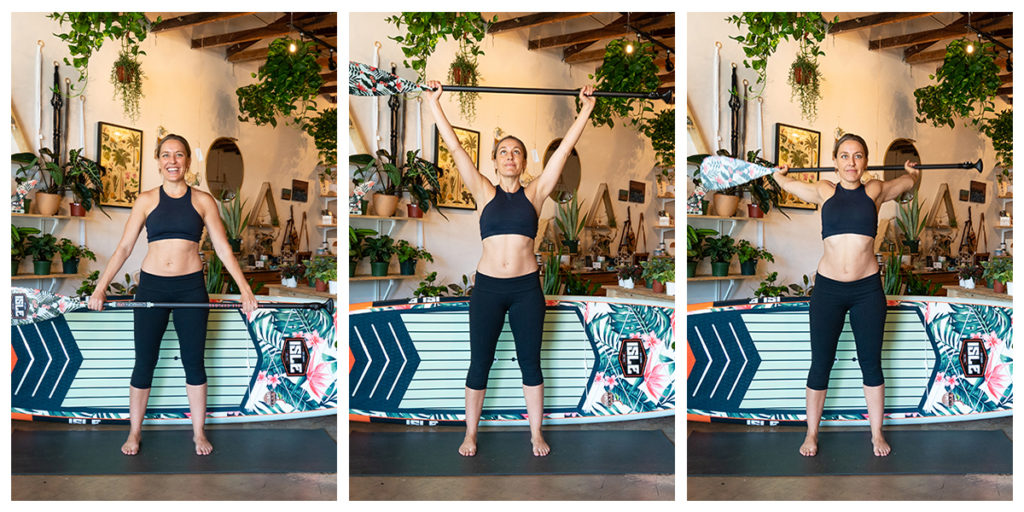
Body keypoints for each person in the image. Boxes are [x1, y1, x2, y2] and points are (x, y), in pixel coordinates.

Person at [424, 81, 597, 457]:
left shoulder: (535, 195)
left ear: (523, 162)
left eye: (516, 152)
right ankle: (470, 434)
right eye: (503, 151)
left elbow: (564, 151)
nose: (510, 157)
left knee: (530, 363)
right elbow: (454, 149)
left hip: (525, 291)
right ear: (495, 160)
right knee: (479, 362)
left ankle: (535, 433)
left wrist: (585, 109)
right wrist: (433, 103)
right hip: (487, 289)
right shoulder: (484, 191)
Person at [88, 134, 257, 456]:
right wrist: (100, 288)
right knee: (144, 363)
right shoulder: (146, 199)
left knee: (194, 362)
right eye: (166, 155)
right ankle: (134, 432)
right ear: (158, 160)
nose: (172, 161)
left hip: (190, 289)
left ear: (187, 162)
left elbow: (222, 248)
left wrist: (246, 290)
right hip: (152, 287)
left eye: (178, 155)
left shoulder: (203, 200)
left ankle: (198, 433)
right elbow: (124, 247)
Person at [773, 133, 919, 458]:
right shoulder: (825, 191)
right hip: (828, 289)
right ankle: (811, 434)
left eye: (858, 156)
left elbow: (905, 184)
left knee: (871, 363)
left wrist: (913, 173)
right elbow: (790, 186)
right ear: (836, 160)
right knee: (820, 363)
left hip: (867, 290)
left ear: (865, 161)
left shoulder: (875, 190)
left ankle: (876, 434)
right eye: (844, 155)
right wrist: (779, 175)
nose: (851, 162)